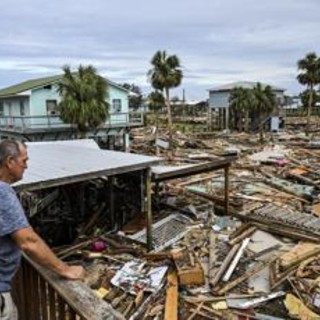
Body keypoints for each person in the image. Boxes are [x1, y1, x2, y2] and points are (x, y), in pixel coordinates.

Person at [0, 139, 85, 319]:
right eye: (24, 161)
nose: (26, 166)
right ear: (9, 162)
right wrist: (65, 269)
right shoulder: (3, 193)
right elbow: (29, 242)